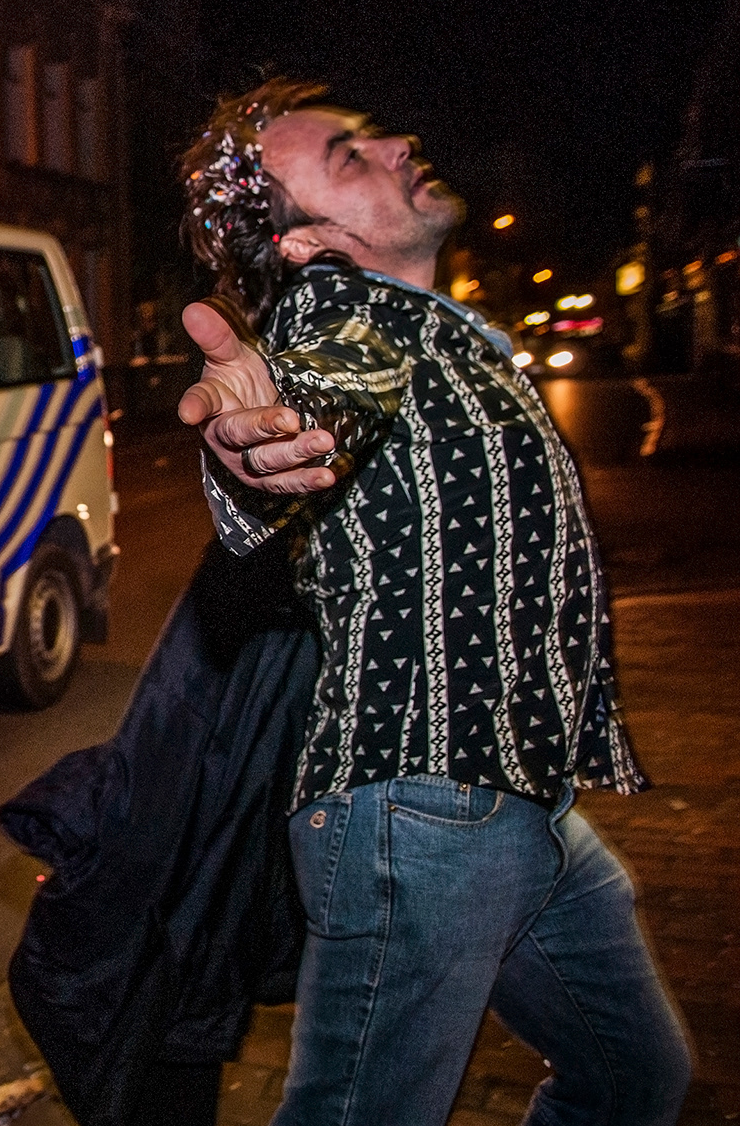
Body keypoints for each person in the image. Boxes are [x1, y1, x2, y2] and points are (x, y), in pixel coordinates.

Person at [175, 79, 691, 1123]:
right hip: (420, 806)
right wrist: (254, 453)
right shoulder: (351, 320)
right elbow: (295, 409)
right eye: (352, 157)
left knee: (634, 1076)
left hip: (515, 796)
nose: (400, 143)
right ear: (310, 246)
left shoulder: (444, 334)